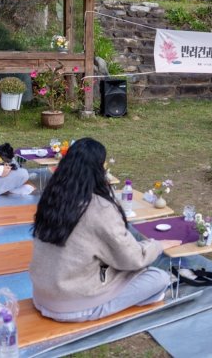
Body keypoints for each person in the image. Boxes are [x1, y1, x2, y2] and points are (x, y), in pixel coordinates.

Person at [30, 138, 180, 322]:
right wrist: (157, 245)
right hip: (72, 304)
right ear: (98, 169)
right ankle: (134, 300)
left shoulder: (51, 198)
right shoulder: (99, 208)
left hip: (41, 296)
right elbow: (132, 259)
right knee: (159, 278)